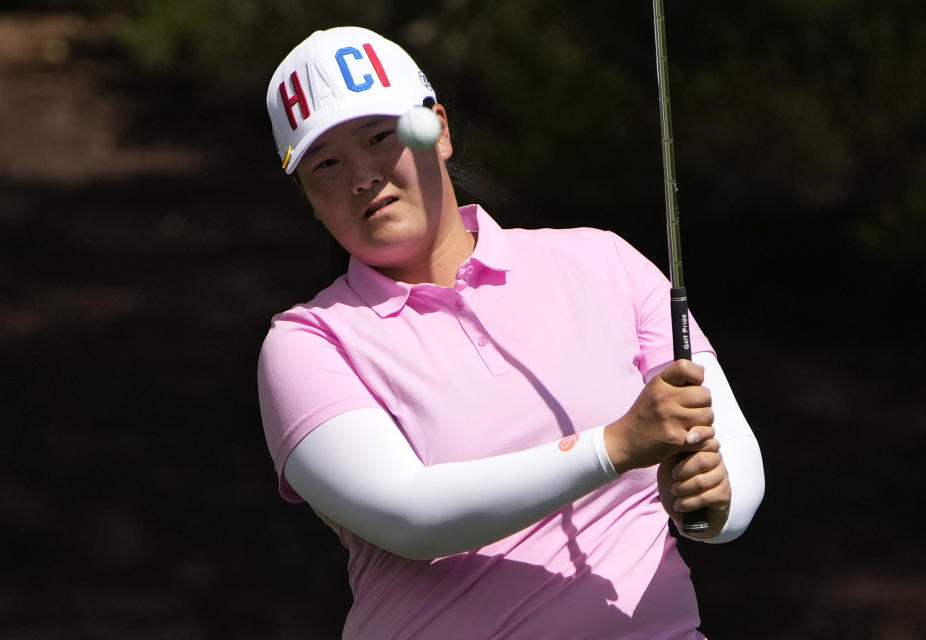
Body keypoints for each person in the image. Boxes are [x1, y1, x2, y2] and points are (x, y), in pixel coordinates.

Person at [257, 26, 764, 639]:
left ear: (438, 130)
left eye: (380, 137)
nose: (363, 177)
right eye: (326, 164)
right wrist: (615, 446)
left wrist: (711, 507)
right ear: (309, 198)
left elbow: (729, 464)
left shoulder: (604, 262)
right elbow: (409, 515)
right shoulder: (307, 343)